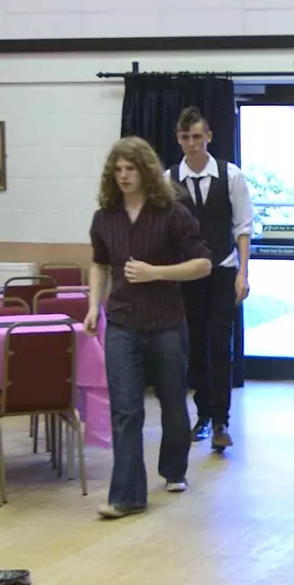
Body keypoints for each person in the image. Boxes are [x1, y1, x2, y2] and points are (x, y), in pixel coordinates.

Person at [86, 137, 214, 518]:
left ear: (145, 171)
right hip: (122, 323)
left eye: (131, 169)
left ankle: (174, 468)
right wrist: (94, 307)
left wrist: (155, 272)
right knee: (126, 410)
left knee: (173, 404)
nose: (124, 177)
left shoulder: (171, 213)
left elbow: (203, 264)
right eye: (118, 170)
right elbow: (100, 265)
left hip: (166, 324)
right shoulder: (104, 218)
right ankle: (127, 495)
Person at [168, 107, 253, 449]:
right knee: (194, 346)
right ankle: (202, 415)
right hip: (188, 274)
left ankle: (221, 421)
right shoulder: (168, 178)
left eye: (197, 137)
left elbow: (243, 227)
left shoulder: (231, 176)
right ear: (179, 139)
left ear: (209, 138)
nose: (192, 144)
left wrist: (243, 273)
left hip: (223, 269)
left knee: (221, 344)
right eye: (185, 138)